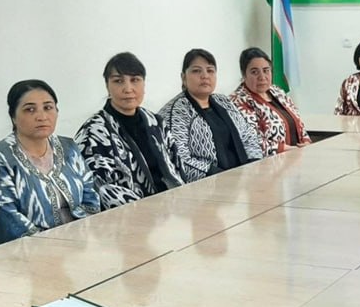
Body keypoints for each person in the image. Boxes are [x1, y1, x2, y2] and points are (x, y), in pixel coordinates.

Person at [0, 80, 100, 243]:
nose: (42, 117)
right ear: (13, 117)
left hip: (80, 242)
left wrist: (84, 236)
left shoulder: (68, 148)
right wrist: (56, 245)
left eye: (48, 107)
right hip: (28, 250)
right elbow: (5, 222)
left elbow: (90, 195)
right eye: (30, 110)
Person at [76, 52, 183, 209]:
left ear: (144, 84)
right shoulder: (94, 133)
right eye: (118, 81)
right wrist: (152, 210)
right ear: (107, 86)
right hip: (130, 214)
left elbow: (177, 167)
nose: (128, 89)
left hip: (171, 206)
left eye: (135, 80)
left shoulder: (156, 122)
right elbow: (102, 190)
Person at [159, 48, 263, 180]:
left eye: (210, 70)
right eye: (196, 71)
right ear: (183, 78)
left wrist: (254, 165)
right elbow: (179, 159)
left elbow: (249, 136)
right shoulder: (177, 111)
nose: (205, 76)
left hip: (243, 178)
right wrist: (221, 177)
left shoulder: (223, 101)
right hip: (207, 185)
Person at [230, 47, 311, 155]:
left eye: (266, 70)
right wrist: (287, 149)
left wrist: (306, 143)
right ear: (244, 75)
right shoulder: (238, 101)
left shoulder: (277, 91)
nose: (262, 77)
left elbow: (299, 123)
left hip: (296, 156)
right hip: (270, 162)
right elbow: (250, 141)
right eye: (254, 72)